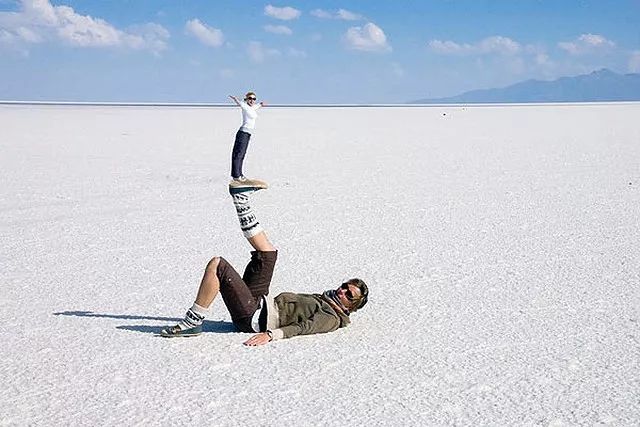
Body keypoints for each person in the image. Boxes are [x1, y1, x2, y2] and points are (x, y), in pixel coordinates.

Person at [160, 184, 369, 346]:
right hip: (262, 301)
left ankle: (192, 322)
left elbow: (304, 328)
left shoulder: (332, 318)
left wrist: (270, 335)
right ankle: (241, 200)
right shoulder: (326, 299)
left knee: (218, 265)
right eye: (344, 286)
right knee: (267, 253)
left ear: (352, 306)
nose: (342, 292)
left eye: (349, 295)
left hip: (252, 318)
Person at [228, 92, 268, 189]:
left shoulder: (251, 108)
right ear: (246, 99)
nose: (252, 100)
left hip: (247, 134)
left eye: (254, 99)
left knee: (242, 155)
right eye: (250, 98)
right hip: (243, 133)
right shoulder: (245, 106)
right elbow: (240, 104)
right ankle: (236, 176)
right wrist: (236, 99)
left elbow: (254, 108)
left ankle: (240, 174)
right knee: (238, 154)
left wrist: (261, 105)